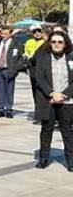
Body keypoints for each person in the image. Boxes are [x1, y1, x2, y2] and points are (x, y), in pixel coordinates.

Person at [30, 30, 73, 170]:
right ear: (49, 43)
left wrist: (64, 94)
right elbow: (39, 78)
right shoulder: (43, 58)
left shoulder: (71, 57)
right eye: (53, 41)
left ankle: (71, 161)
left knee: (67, 130)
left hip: (66, 100)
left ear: (65, 44)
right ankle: (43, 158)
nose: (57, 44)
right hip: (48, 99)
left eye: (60, 42)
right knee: (46, 129)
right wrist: (52, 93)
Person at [0, 28, 26, 117]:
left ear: (11, 34)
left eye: (6, 33)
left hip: (9, 69)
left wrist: (16, 68)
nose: (3, 35)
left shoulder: (17, 43)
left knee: (9, 90)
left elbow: (22, 58)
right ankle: (0, 109)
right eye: (2, 33)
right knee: (0, 90)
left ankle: (9, 109)